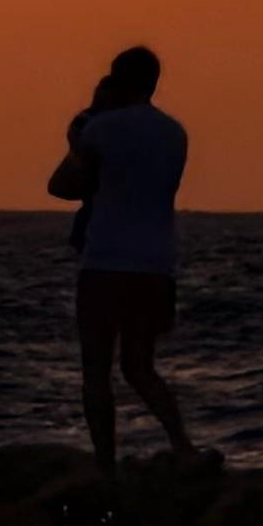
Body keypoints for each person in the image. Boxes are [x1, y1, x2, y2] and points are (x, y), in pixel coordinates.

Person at [49, 43, 196, 469]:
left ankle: (105, 467)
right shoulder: (176, 133)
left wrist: (88, 118)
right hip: (156, 265)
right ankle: (180, 444)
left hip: (106, 262)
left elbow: (63, 185)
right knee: (140, 366)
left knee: (96, 371)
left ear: (116, 81)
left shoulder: (99, 130)